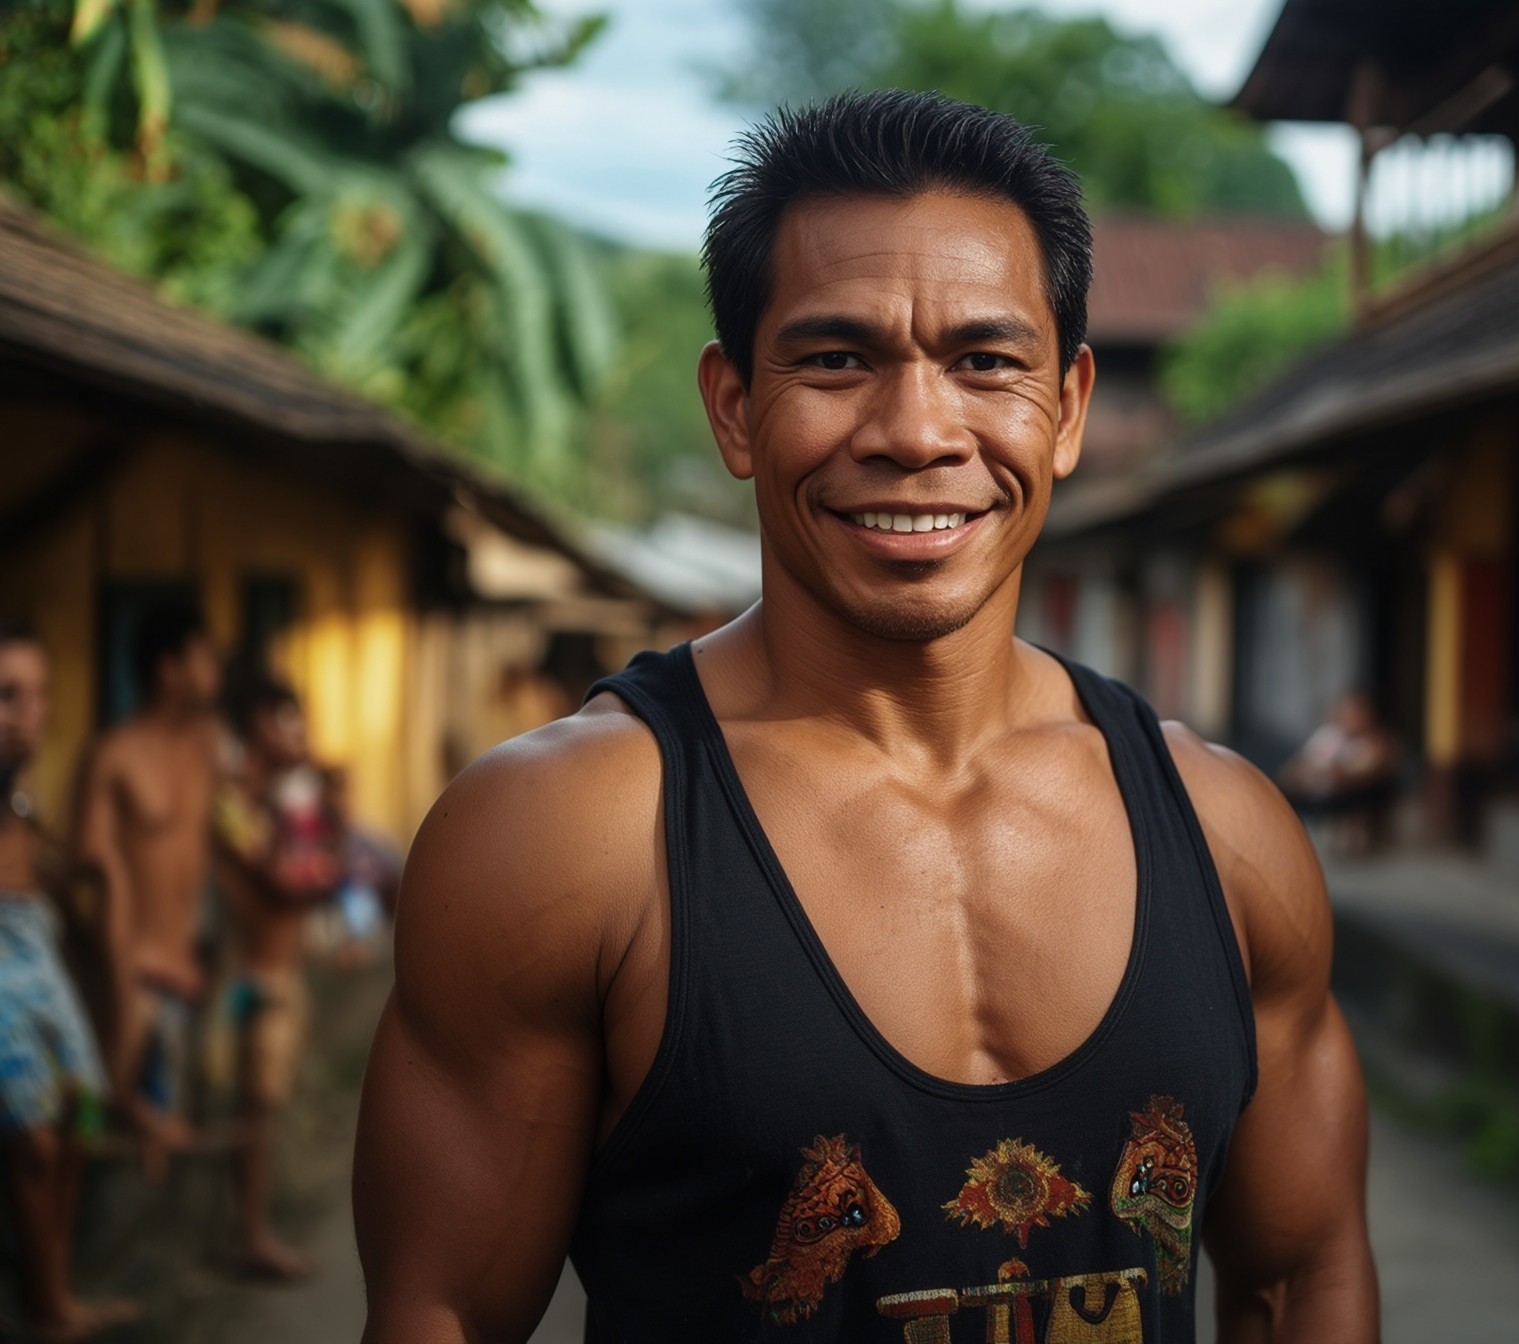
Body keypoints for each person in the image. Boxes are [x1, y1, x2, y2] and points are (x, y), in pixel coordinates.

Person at [356, 91, 1377, 1342]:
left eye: (986, 362)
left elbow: (1300, 1277)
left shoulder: (1226, 834)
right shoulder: (562, 838)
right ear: (734, 407)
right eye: (837, 360)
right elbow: (439, 1313)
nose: (913, 433)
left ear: (1068, 407)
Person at [0, 622, 138, 1340]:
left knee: (84, 1111)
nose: (31, 716)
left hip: (36, 947)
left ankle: (50, 1279)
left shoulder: (19, 797)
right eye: (7, 696)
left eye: (40, 695)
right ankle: (50, 1303)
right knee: (35, 1142)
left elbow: (38, 866)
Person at [74, 603, 222, 1178]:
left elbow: (237, 832)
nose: (215, 669)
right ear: (169, 667)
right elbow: (89, 874)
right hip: (131, 973)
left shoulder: (207, 746)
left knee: (159, 1163)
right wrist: (113, 970)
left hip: (187, 971)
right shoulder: (114, 755)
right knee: (90, 1121)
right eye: (204, 655)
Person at [213, 678, 340, 1280]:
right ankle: (250, 1236)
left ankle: (250, 1229)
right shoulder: (233, 801)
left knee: (261, 1109)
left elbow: (317, 870)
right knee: (255, 1108)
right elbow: (288, 879)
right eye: (289, 722)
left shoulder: (283, 800)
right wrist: (318, 868)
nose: (301, 738)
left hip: (279, 976)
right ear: (260, 724)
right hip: (250, 981)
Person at [1278, 692, 1400, 857]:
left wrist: (1333, 773)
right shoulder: (1328, 736)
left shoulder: (1375, 743)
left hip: (1348, 795)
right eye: (1346, 711)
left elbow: (1362, 774)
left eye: (1356, 713)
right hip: (1315, 791)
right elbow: (1298, 766)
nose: (1350, 717)